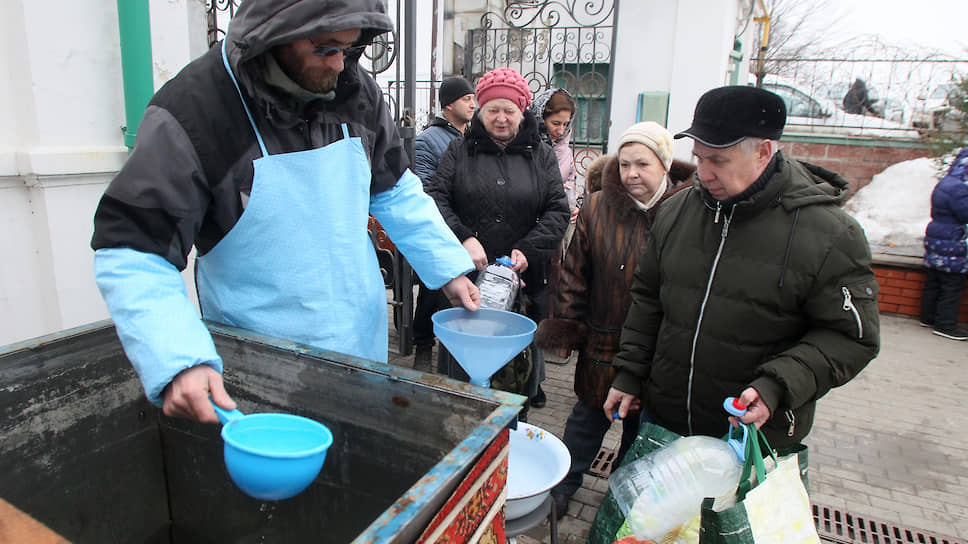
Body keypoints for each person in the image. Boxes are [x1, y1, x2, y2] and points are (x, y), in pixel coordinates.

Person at [90, 0, 480, 424]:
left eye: (350, 49)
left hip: (359, 340)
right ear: (274, 33)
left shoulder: (354, 88)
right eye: (326, 48)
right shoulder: (195, 111)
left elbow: (393, 188)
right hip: (261, 361)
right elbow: (134, 251)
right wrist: (179, 358)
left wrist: (447, 269)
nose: (339, 64)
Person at [604, 86, 881, 453]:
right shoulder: (676, 212)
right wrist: (629, 374)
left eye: (718, 160)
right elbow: (648, 300)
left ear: (764, 151)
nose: (704, 172)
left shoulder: (830, 234)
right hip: (665, 424)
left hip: (750, 439)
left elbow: (851, 337)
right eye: (699, 157)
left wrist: (776, 386)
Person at [534, 122, 695, 518]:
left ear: (664, 163)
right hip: (604, 340)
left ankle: (625, 500)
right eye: (624, 164)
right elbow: (574, 273)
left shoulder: (688, 210)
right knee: (586, 421)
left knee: (641, 433)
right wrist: (569, 326)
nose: (632, 174)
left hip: (660, 349)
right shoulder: (598, 206)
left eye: (642, 163)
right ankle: (562, 487)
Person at [427, 67, 570, 413]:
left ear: (523, 112)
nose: (501, 119)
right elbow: (434, 199)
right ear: (480, 110)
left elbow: (557, 212)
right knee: (463, 377)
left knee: (513, 377)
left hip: (524, 284)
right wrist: (462, 237)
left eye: (510, 110)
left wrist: (527, 249)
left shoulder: (541, 154)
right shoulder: (459, 150)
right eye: (493, 110)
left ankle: (510, 430)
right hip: (466, 280)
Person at [410, 76, 477, 371]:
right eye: (466, 98)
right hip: (440, 226)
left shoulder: (471, 137)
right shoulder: (428, 140)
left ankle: (453, 349)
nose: (473, 103)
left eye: (474, 97)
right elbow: (425, 187)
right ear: (448, 105)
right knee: (432, 287)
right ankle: (423, 344)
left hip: (466, 226)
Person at [920, 147, 968, 341]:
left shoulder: (947, 182)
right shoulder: (961, 188)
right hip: (952, 240)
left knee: (934, 282)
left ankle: (928, 317)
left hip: (937, 235)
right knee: (952, 285)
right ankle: (945, 325)